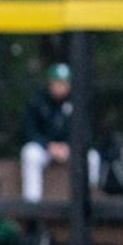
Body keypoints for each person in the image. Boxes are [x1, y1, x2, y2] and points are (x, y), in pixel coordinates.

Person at [21, 62, 100, 202]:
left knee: (92, 157)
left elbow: (86, 134)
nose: (61, 87)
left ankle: (88, 202)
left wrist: (70, 146)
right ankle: (33, 208)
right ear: (49, 83)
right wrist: (48, 146)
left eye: (64, 83)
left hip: (69, 149)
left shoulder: (77, 102)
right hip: (44, 149)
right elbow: (29, 131)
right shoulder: (38, 101)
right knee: (29, 153)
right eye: (57, 83)